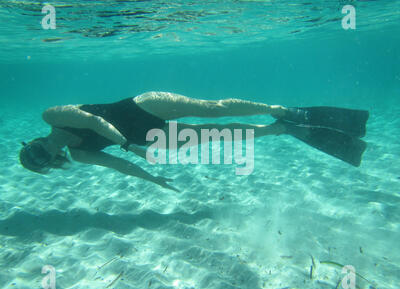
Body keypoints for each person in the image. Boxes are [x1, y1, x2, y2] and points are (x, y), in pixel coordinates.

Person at [19, 92, 369, 191]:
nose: (45, 153)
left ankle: (281, 109)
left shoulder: (51, 115)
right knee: (219, 135)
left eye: (36, 150)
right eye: (44, 160)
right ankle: (284, 129)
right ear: (52, 163)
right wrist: (153, 179)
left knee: (211, 109)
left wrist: (126, 144)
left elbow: (93, 119)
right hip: (146, 137)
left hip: (140, 107)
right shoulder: (80, 155)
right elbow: (120, 166)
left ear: (33, 142)